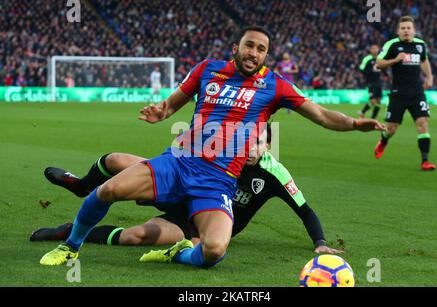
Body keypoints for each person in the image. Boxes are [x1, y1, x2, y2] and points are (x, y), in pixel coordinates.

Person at [39, 25, 383, 268]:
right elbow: (172, 103)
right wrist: (161, 111)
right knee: (110, 189)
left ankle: (176, 253)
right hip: (179, 162)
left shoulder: (275, 86)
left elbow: (322, 116)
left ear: (266, 55)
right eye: (249, 45)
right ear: (237, 45)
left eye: (261, 49)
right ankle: (70, 247)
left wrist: (354, 124)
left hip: (217, 180)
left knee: (215, 250)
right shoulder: (208, 69)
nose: (254, 53)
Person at [32, 126, 342, 255]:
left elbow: (305, 210)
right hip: (185, 190)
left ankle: (72, 230)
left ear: (268, 145)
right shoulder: (221, 149)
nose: (250, 146)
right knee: (115, 160)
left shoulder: (274, 173)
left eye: (258, 141)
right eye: (247, 139)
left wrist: (319, 242)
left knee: (139, 237)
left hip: (203, 222)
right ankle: (81, 186)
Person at [374, 16, 435, 171]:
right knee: (391, 129)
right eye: (403, 28)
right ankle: (383, 142)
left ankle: (425, 161)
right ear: (398, 30)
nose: (406, 31)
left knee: (423, 124)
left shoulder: (421, 45)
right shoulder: (392, 45)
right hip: (398, 94)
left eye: (409, 28)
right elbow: (379, 63)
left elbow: (424, 61)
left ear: (414, 30)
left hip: (417, 93)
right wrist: (395, 60)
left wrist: (429, 76)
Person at [358, 44, 384, 120]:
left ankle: (373, 118)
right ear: (370, 50)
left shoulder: (380, 58)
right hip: (371, 82)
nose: (374, 50)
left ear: (378, 49)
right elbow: (361, 69)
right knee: (373, 101)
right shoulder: (367, 59)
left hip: (379, 82)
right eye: (372, 48)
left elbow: (383, 68)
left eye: (376, 48)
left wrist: (385, 74)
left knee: (379, 102)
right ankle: (362, 112)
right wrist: (370, 72)